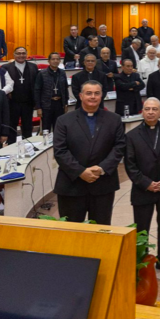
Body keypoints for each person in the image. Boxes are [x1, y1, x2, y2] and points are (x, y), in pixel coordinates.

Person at [52, 80, 126, 225]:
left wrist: (102, 168)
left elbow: (119, 147)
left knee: (101, 231)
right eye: (89, 93)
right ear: (80, 96)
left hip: (103, 185)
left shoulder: (114, 119)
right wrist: (81, 171)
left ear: (102, 96)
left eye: (97, 93)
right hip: (72, 185)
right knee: (71, 232)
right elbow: (60, 151)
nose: (93, 97)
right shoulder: (64, 120)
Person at [125, 97, 160, 274]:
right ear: (142, 111)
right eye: (147, 109)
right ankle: (142, 261)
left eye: (154, 109)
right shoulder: (132, 136)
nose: (150, 112)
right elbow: (130, 166)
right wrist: (147, 184)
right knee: (142, 228)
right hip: (143, 190)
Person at [3, 47, 39, 140]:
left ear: (26, 55)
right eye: (18, 53)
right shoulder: (6, 67)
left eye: (23, 53)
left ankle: (28, 146)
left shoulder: (33, 67)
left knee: (27, 126)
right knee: (12, 126)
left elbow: (37, 85)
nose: (21, 55)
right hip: (12, 103)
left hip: (28, 102)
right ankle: (12, 147)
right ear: (14, 55)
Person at [34, 52, 68, 133]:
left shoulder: (62, 73)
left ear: (60, 61)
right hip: (46, 105)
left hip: (59, 104)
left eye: (57, 59)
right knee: (46, 129)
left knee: (59, 127)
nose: (55, 61)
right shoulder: (42, 73)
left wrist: (65, 103)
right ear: (48, 61)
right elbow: (37, 91)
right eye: (53, 59)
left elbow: (65, 88)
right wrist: (38, 107)